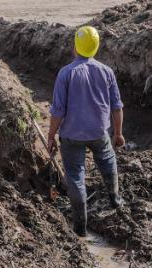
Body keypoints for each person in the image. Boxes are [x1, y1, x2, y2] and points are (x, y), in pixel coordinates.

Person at [46, 26, 126, 236]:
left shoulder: (66, 73)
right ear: (96, 47)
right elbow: (116, 106)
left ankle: (80, 228)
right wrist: (118, 134)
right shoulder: (106, 71)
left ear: (75, 47)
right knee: (108, 161)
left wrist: (51, 136)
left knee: (75, 176)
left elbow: (58, 111)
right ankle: (115, 200)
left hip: (71, 135)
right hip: (99, 132)